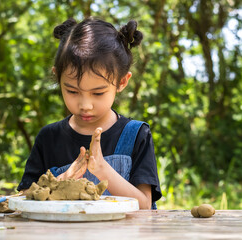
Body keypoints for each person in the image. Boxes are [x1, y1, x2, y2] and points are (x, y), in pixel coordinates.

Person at [17, 17, 162, 209]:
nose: (85, 105)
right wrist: (64, 178)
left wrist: (102, 169)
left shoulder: (137, 135)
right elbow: (25, 199)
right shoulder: (49, 138)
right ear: (58, 77)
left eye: (98, 93)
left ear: (122, 82)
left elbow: (144, 205)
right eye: (72, 91)